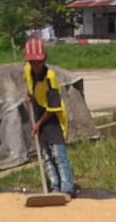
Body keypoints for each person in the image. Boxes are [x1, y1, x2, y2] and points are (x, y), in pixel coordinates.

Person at [23, 37, 76, 196]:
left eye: (39, 62)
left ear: (44, 59)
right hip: (39, 111)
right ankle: (55, 186)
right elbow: (30, 86)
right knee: (46, 154)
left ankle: (67, 188)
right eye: (33, 62)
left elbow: (53, 107)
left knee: (58, 154)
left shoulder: (50, 77)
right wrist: (30, 96)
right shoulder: (27, 70)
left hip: (53, 116)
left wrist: (38, 124)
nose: (36, 66)